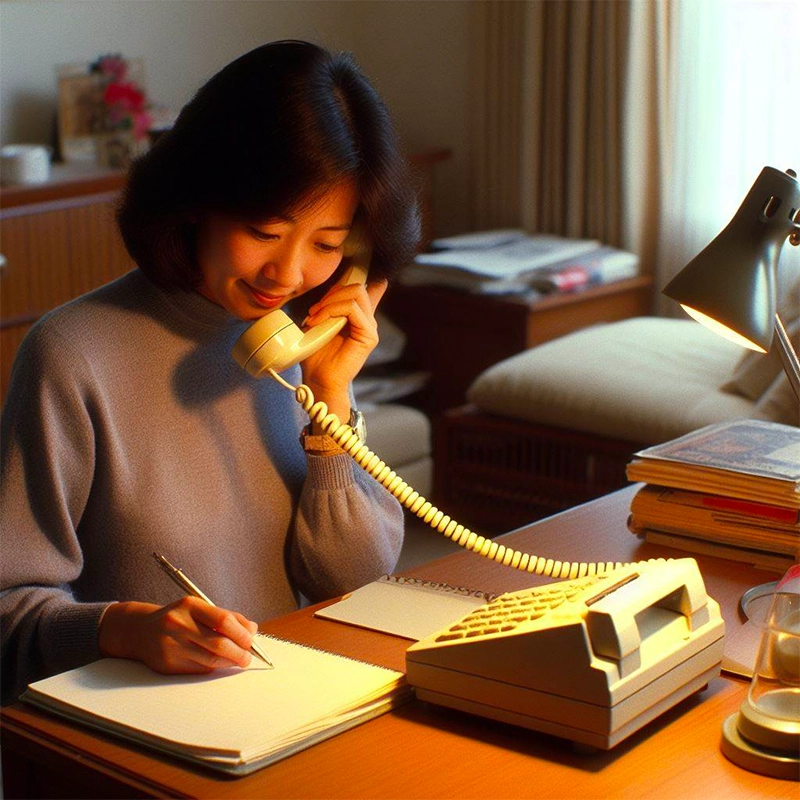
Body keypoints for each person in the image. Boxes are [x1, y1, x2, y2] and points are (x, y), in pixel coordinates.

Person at [0, 40, 420, 704]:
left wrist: (331, 402)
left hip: (288, 706)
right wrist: (122, 630)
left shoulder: (295, 351)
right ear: (198, 198)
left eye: (328, 245)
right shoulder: (72, 354)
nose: (287, 275)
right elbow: (6, 611)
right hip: (142, 733)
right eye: (263, 230)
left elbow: (354, 579)